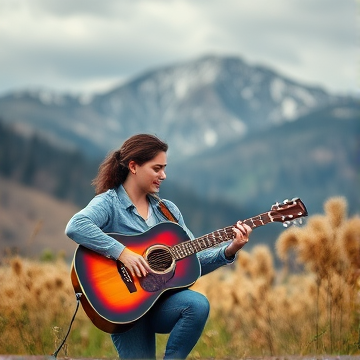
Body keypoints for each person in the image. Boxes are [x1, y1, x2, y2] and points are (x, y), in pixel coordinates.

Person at [65, 133, 252, 360]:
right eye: (157, 168)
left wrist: (229, 250)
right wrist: (123, 253)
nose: (163, 175)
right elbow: (76, 225)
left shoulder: (168, 211)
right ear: (133, 166)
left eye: (164, 168)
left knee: (197, 304)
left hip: (161, 304)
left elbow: (193, 262)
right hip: (125, 308)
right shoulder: (109, 202)